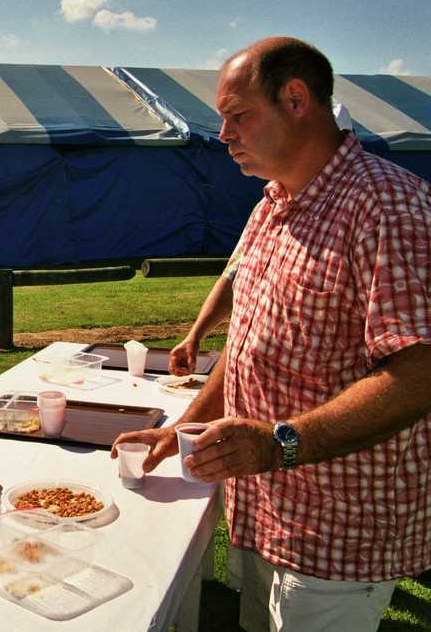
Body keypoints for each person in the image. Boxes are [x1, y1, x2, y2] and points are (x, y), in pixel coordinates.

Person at [113, 37, 431, 632]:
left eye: (238, 115)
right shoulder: (271, 206)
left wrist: (279, 443)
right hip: (266, 507)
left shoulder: (388, 206)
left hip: (340, 530)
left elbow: (418, 375)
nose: (223, 134)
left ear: (296, 99)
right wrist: (181, 430)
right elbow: (245, 346)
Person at [168, 103, 355, 376]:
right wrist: (195, 335)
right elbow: (233, 277)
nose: (225, 136)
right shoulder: (268, 207)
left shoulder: (373, 209)